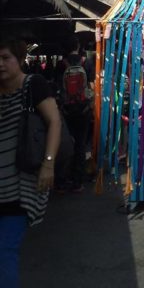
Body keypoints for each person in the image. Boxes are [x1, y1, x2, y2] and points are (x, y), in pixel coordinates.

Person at [0, 38, 61, 288]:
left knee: (5, 251)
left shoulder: (33, 84)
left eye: (5, 58)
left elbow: (54, 122)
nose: (0, 64)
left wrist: (48, 164)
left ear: (19, 58)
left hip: (20, 185)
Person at [58, 37, 93, 193]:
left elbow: (58, 88)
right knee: (80, 144)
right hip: (83, 109)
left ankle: (63, 178)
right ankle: (77, 180)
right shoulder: (87, 62)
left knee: (65, 142)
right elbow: (92, 86)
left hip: (66, 109)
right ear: (78, 46)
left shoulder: (61, 64)